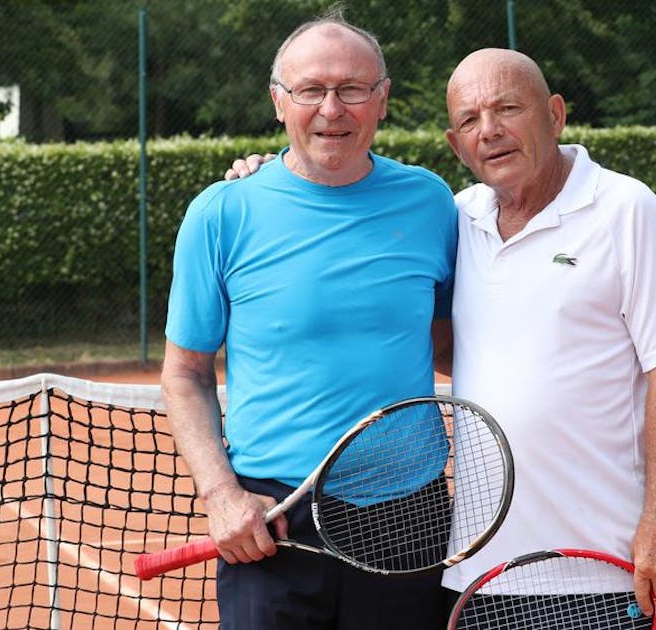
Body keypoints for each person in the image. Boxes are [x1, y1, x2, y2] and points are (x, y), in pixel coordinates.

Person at [228, 48, 656, 625]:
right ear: (455, 144)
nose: (490, 131)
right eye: (469, 120)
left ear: (554, 115)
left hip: (603, 567)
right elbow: (429, 331)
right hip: (475, 575)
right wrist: (268, 175)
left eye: (508, 108)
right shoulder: (455, 218)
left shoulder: (625, 208)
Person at [164, 10, 457, 630]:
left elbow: (454, 341)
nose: (332, 108)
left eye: (353, 88)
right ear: (279, 102)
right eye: (310, 90)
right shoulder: (221, 213)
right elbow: (185, 374)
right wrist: (221, 496)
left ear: (382, 100)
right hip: (269, 516)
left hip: (407, 516)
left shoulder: (434, 203)